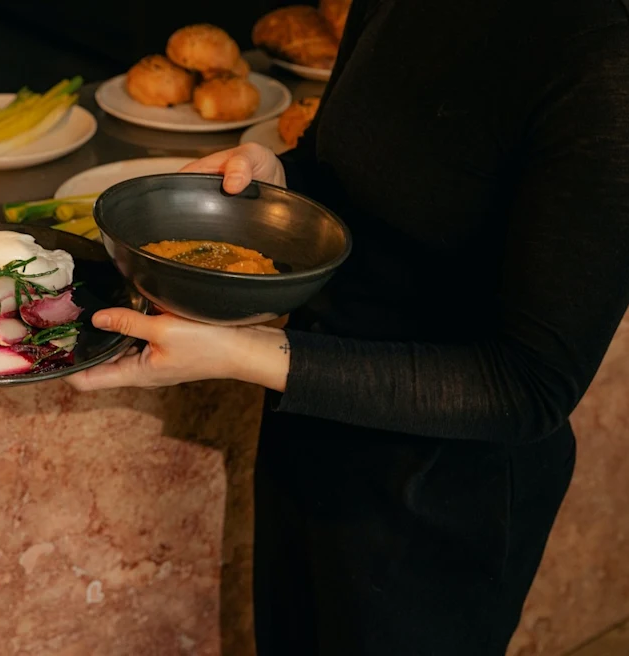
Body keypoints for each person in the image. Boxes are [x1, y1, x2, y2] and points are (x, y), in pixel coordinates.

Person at [68, 0, 629, 653]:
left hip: (440, 498)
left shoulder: (603, 65)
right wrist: (281, 181)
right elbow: (365, 176)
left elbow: (529, 386)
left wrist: (243, 353)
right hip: (312, 431)